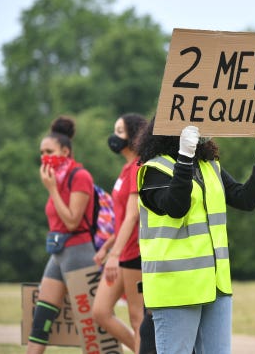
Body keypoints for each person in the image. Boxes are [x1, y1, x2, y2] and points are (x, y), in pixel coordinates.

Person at [135, 116, 255, 354]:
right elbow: (176, 206)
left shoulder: (209, 166)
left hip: (215, 286)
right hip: (176, 289)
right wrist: (184, 158)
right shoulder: (154, 170)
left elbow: (245, 199)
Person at [27, 116, 97, 354]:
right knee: (41, 317)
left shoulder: (80, 176)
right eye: (41, 152)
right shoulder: (56, 177)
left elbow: (71, 221)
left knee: (92, 329)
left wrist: (52, 190)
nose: (44, 156)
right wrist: (53, 187)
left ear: (65, 151)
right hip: (58, 253)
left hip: (79, 252)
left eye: (49, 151)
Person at [92, 113, 148, 353]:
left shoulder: (139, 166)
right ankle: (141, 350)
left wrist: (113, 254)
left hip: (133, 253)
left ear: (134, 136)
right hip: (120, 251)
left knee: (138, 319)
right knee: (101, 312)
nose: (114, 137)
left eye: (119, 132)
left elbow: (133, 216)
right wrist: (108, 247)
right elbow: (123, 217)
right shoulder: (126, 169)